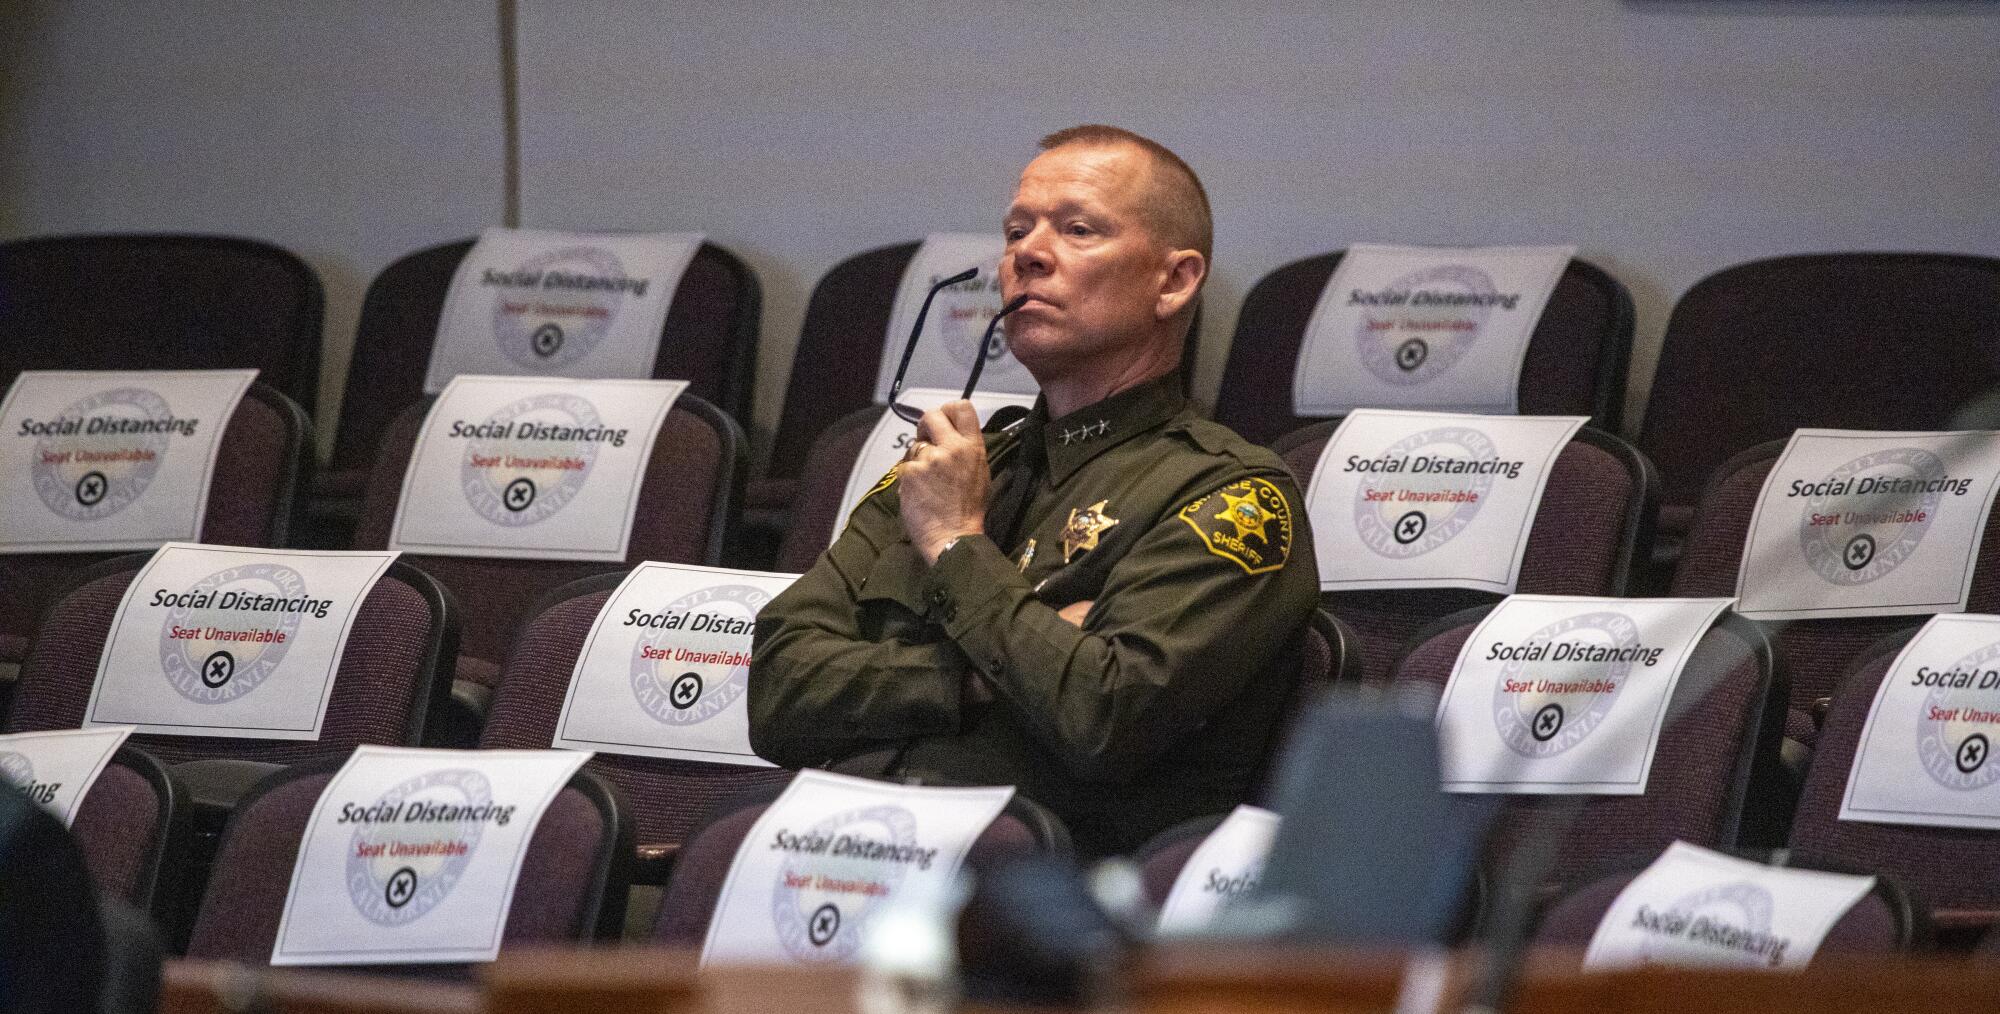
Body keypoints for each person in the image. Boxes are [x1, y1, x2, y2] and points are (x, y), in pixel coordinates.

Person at [749, 125, 1319, 856]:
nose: (1028, 253)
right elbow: (776, 689)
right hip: (841, 854)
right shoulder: (957, 465)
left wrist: (957, 545)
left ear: (1174, 281)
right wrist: (979, 679)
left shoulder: (1231, 496)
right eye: (1018, 230)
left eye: (1078, 229)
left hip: (1049, 901)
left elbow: (1102, 714)